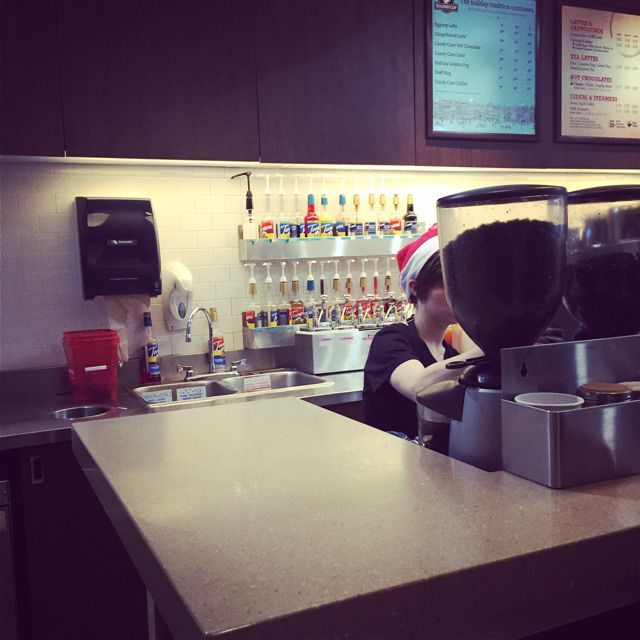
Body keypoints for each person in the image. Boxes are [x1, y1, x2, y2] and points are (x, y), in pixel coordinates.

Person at [362, 224, 482, 450]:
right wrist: (492, 347)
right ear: (415, 288)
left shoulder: (450, 354)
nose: (460, 296)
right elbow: (419, 387)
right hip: (387, 466)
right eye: (448, 286)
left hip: (428, 465)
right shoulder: (390, 340)